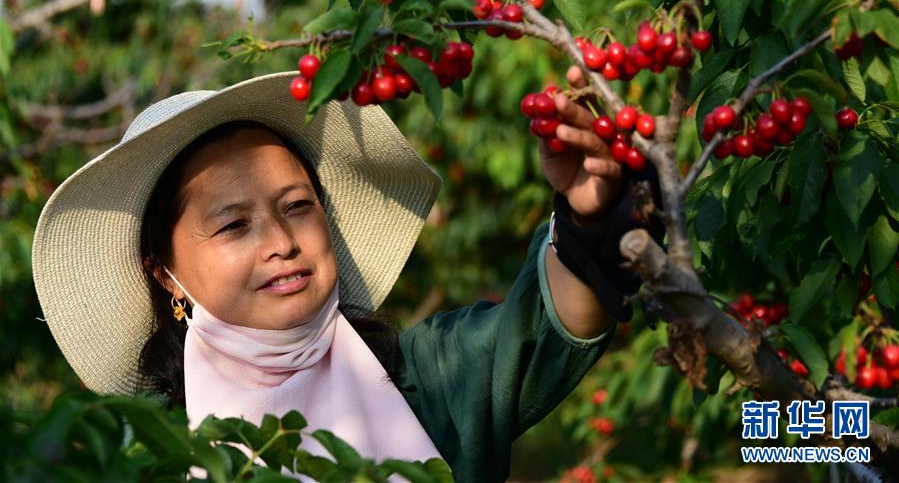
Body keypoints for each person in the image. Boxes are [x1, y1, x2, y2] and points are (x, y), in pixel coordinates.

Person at [32, 68, 663, 482]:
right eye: (233, 225)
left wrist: (592, 214)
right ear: (165, 274)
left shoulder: (425, 380)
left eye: (298, 207)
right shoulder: (148, 459)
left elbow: (551, 321)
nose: (281, 243)